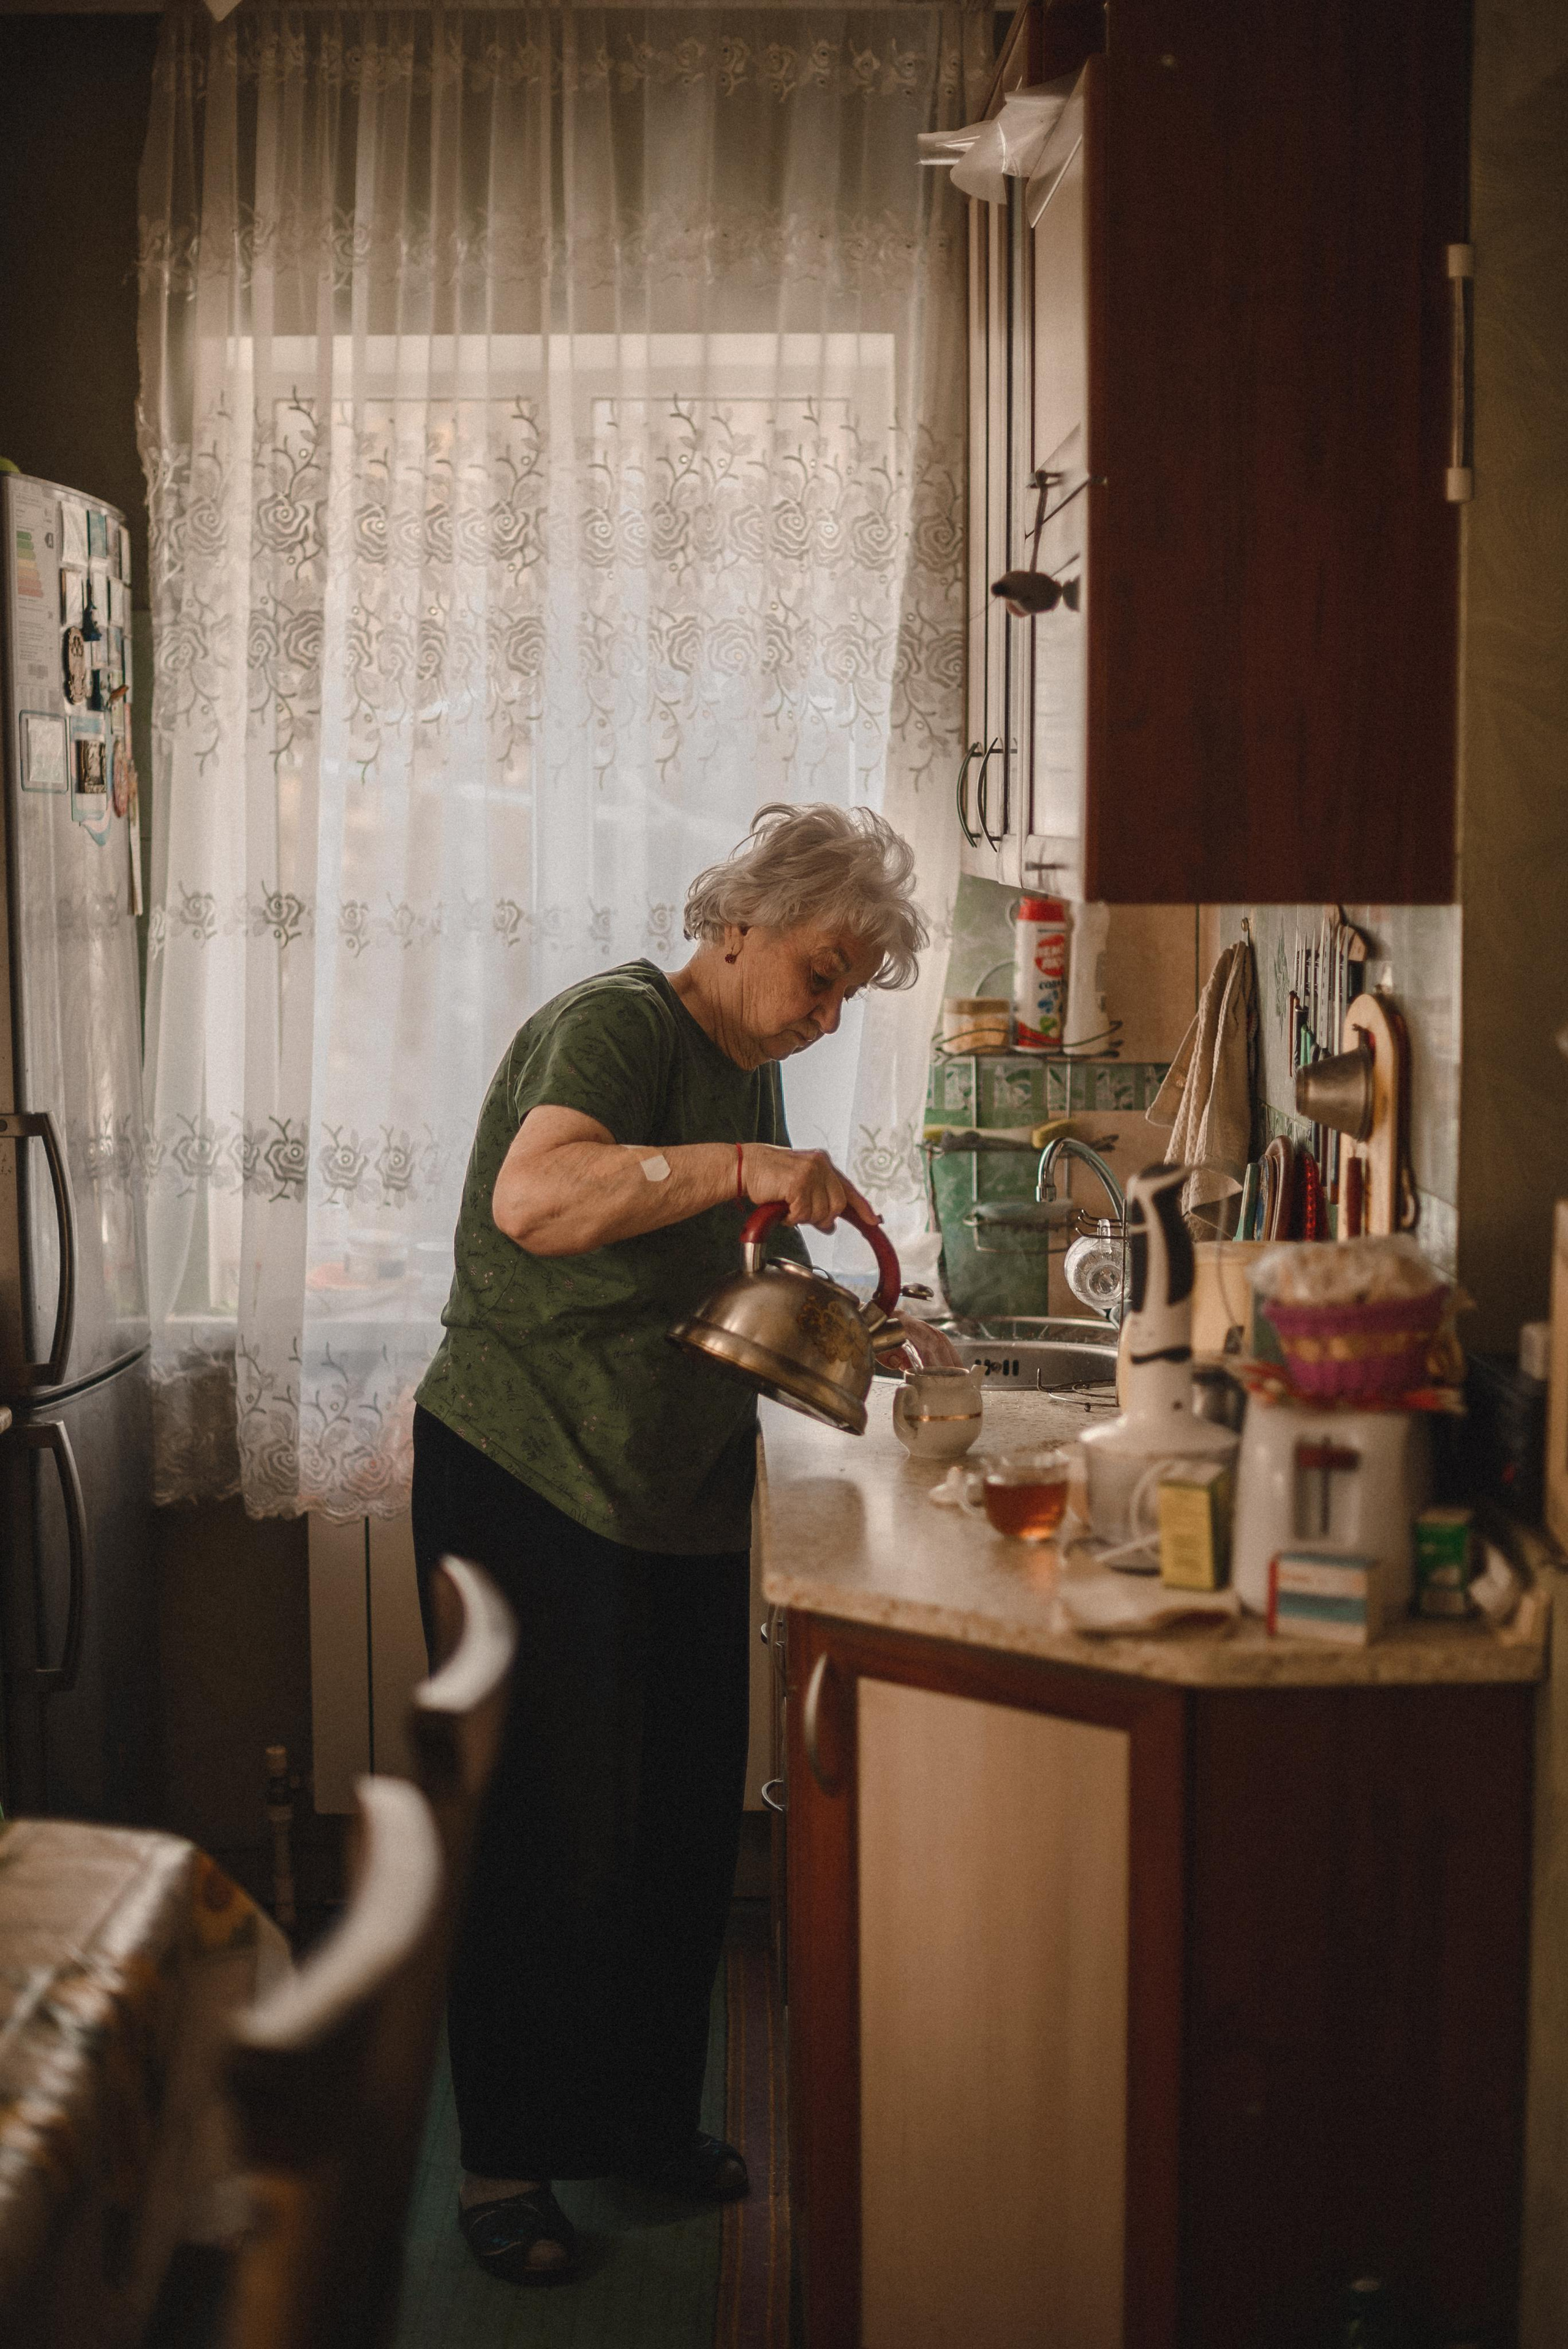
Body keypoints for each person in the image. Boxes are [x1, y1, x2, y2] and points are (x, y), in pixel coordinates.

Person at [411, 801, 927, 2285]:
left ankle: (638, 2120)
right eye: (820, 977)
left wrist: (869, 1336)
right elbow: (539, 1198)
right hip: (526, 1472)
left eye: (847, 996)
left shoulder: (743, 1065)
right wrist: (740, 1171)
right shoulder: (616, 1025)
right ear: (738, 922)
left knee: (678, 1827)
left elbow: (719, 1264)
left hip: (669, 1485)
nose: (827, 1017)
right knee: (542, 1837)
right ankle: (506, 2161)